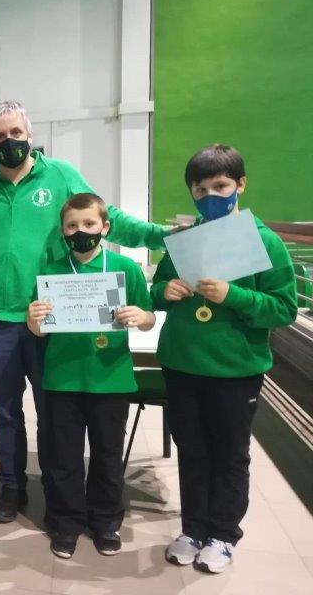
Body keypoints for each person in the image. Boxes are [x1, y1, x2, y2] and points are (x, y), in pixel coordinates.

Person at [0, 100, 169, 523]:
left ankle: (57, 491)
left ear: (29, 135)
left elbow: (107, 217)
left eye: (16, 133)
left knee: (52, 413)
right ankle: (12, 486)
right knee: (4, 412)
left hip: (51, 318)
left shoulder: (60, 175)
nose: (9, 141)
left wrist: (162, 235)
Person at [152, 144, 297, 573]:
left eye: (220, 186)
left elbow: (284, 308)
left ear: (240, 184)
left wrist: (234, 295)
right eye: (201, 190)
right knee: (192, 450)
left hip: (235, 370)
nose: (210, 196)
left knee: (230, 454)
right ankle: (193, 528)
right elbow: (156, 290)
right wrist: (165, 291)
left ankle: (222, 533)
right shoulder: (184, 241)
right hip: (182, 365)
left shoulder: (264, 241)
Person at [27, 194, 155, 559]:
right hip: (62, 379)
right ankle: (65, 522)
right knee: (64, 457)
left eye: (88, 224)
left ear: (104, 227)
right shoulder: (51, 272)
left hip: (111, 379)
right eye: (72, 226)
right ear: (62, 231)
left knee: (107, 455)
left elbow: (149, 318)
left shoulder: (124, 269)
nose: (80, 231)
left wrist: (140, 317)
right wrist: (33, 320)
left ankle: (105, 521)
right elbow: (38, 330)